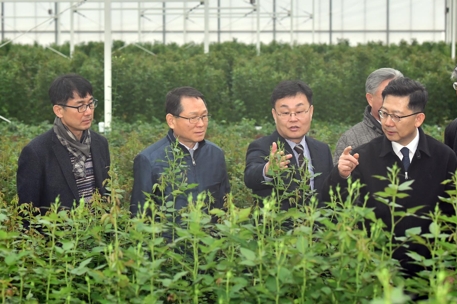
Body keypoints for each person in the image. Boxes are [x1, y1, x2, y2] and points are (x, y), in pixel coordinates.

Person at [325, 77, 457, 278]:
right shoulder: (363, 156)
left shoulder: (443, 157)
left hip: (429, 274)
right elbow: (333, 207)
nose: (387, 122)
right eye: (384, 113)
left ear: (418, 119)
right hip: (376, 273)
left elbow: (455, 216)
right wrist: (340, 176)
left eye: (396, 116)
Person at [17, 73, 110, 214]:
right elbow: (26, 213)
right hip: (58, 234)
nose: (88, 112)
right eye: (80, 106)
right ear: (59, 110)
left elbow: (106, 194)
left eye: (90, 103)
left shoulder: (99, 144)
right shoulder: (37, 152)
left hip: (97, 233)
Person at [130, 86, 230, 215]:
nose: (201, 124)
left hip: (209, 235)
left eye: (204, 116)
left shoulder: (215, 154)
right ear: (171, 121)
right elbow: (140, 215)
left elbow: (225, 204)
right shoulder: (149, 160)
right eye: (192, 118)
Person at [244, 80, 334, 210]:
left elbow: (328, 194)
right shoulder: (261, 147)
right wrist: (267, 170)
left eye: (299, 111)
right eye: (285, 113)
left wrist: (342, 175)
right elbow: (251, 176)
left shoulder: (322, 149)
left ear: (311, 111)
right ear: (275, 115)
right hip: (279, 227)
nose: (293, 119)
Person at [333, 68, 403, 164]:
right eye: (386, 96)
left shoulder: (413, 132)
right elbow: (338, 177)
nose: (394, 101)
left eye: (399, 95)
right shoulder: (351, 140)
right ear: (370, 99)